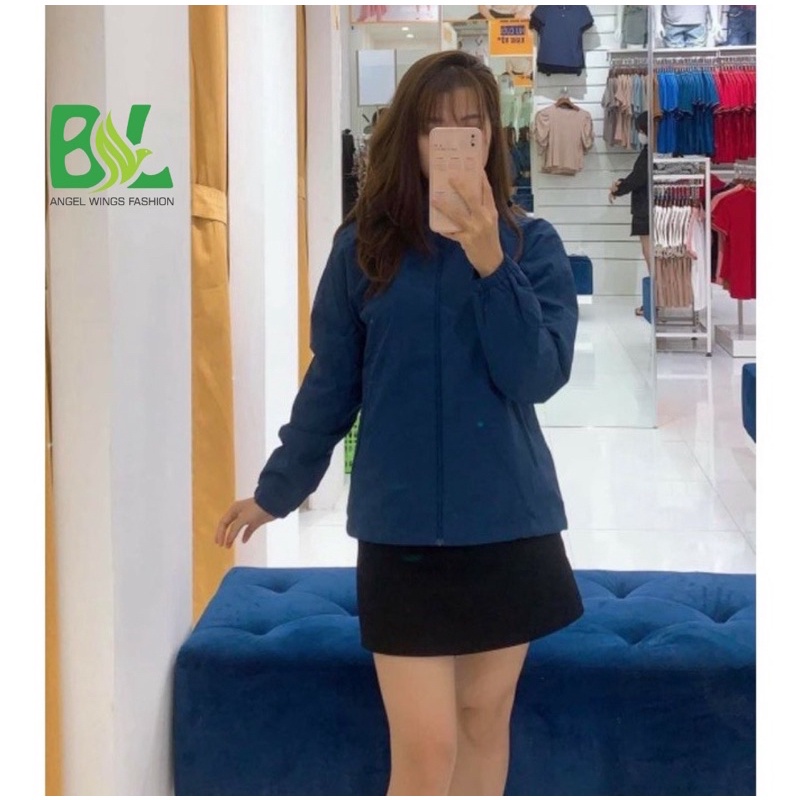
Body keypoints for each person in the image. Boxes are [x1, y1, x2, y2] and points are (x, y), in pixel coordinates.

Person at [215, 50, 584, 797]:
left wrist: (491, 263)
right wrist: (278, 489)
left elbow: (537, 376)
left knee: (482, 724)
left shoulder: (532, 246)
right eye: (434, 126)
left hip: (510, 524)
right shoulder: (364, 247)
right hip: (400, 531)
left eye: (470, 124)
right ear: (409, 138)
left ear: (492, 137)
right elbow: (332, 383)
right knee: (423, 749)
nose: (453, 140)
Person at [609, 111, 651, 316]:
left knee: (650, 255)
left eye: (641, 130)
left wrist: (618, 188)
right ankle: (657, 301)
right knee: (652, 255)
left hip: (646, 210)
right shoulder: (659, 150)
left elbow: (638, 178)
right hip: (653, 207)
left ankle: (655, 302)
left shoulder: (649, 153)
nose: (639, 134)